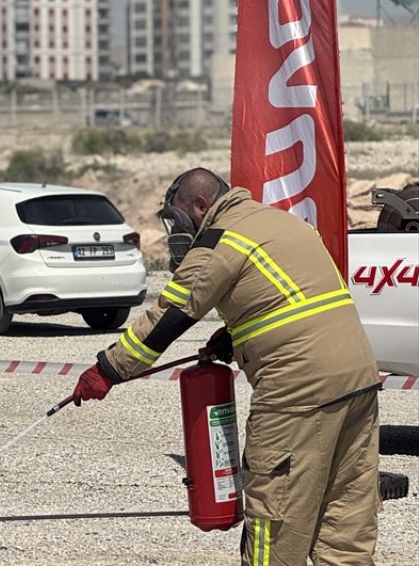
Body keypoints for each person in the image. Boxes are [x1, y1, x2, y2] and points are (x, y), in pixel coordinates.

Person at [71, 168, 381, 566]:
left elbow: (171, 314)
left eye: (178, 218)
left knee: (277, 519)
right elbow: (295, 300)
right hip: (358, 380)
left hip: (298, 392)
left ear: (201, 206)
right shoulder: (281, 221)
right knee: (346, 525)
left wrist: (108, 369)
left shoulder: (221, 239)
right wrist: (237, 337)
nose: (177, 231)